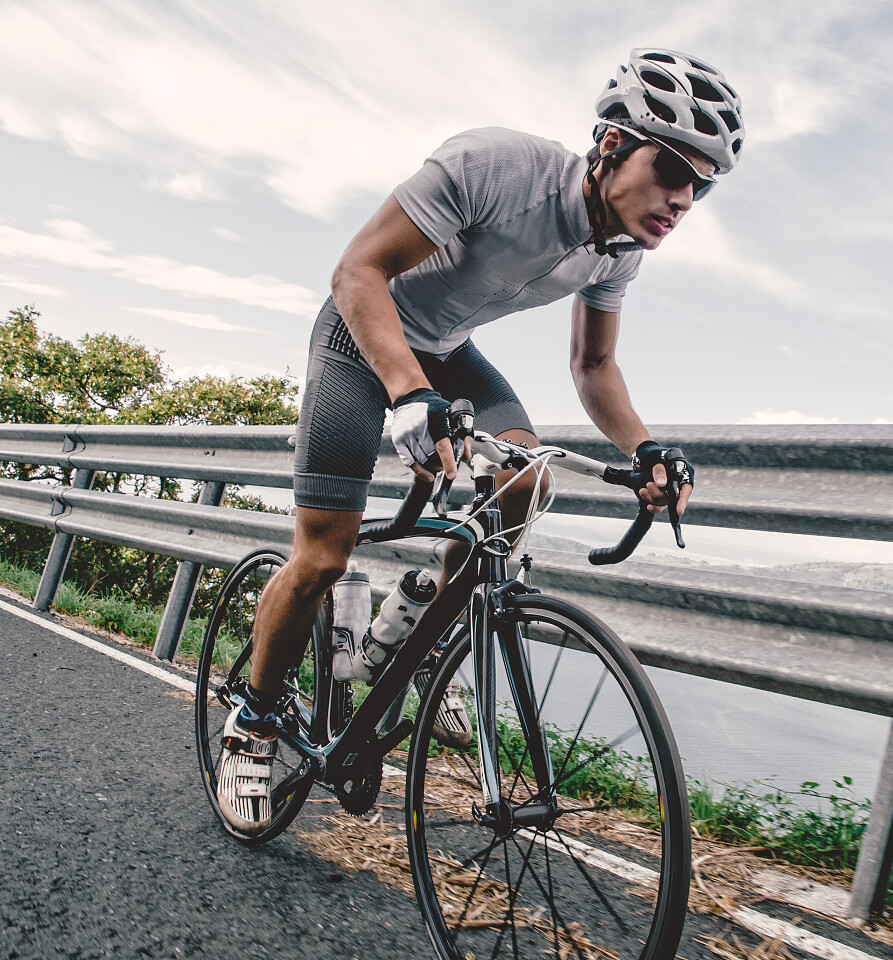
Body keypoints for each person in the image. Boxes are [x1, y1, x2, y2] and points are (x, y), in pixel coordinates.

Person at [214, 47, 746, 834]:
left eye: (702, 184)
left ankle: (416, 624)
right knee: (325, 555)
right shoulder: (495, 167)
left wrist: (643, 447)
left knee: (525, 481)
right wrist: (406, 392)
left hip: (450, 353)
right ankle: (252, 723)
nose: (686, 197)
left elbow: (594, 364)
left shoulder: (618, 251)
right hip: (361, 339)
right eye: (674, 168)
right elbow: (357, 272)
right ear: (609, 146)